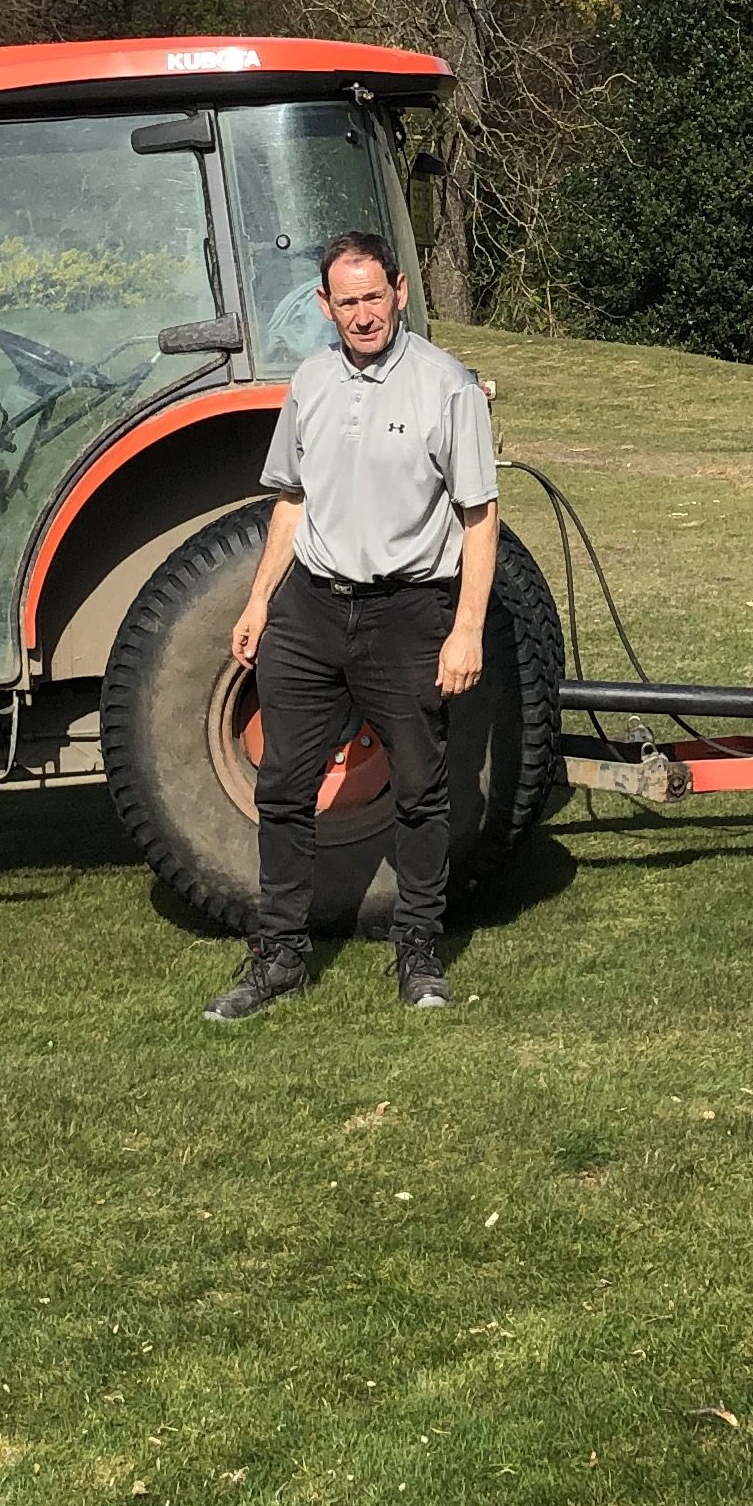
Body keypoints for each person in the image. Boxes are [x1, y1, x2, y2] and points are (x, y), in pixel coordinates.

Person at [203, 229, 498, 1021]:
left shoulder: (447, 386)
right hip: (310, 608)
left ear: (399, 292)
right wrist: (259, 601)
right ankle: (279, 955)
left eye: (374, 297)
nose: (363, 315)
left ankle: (419, 950)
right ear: (325, 305)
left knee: (420, 790)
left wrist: (466, 629)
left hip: (408, 612)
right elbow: (291, 501)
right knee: (282, 788)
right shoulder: (310, 382)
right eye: (347, 302)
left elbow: (479, 517)